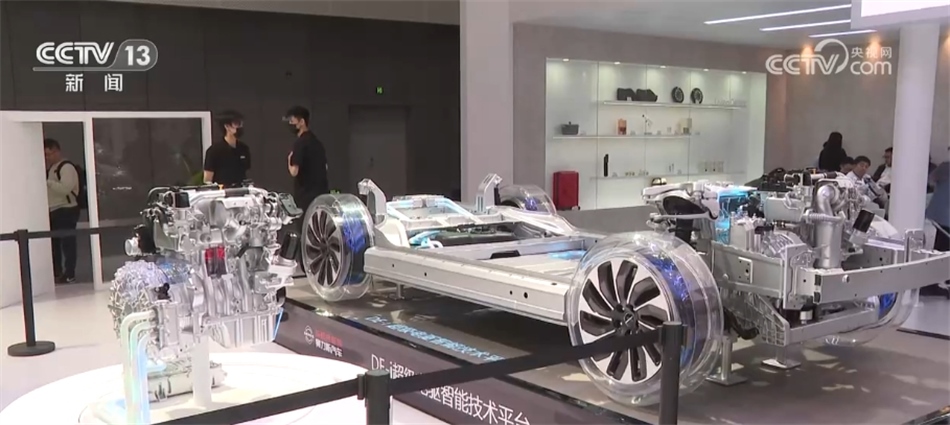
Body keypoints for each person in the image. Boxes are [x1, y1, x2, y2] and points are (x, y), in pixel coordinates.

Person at [44, 138, 81, 284]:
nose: (47, 158)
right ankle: (57, 272)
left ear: (57, 151)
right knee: (54, 244)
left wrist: (48, 183)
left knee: (67, 243)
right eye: (45, 155)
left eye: (49, 154)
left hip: (66, 209)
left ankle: (69, 273)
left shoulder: (66, 168)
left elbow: (65, 188)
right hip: (53, 210)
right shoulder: (51, 169)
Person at [923, 148, 950, 296]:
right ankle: (931, 284)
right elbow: (930, 179)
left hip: (942, 214)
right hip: (944, 215)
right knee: (942, 249)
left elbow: (931, 180)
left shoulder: (945, 167)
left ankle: (932, 283)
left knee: (942, 249)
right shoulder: (946, 167)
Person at [203, 110, 251, 187]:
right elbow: (207, 180)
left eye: (241, 124)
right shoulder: (214, 151)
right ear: (227, 126)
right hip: (222, 191)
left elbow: (245, 171)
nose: (240, 127)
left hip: (241, 190)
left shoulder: (244, 149)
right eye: (237, 124)